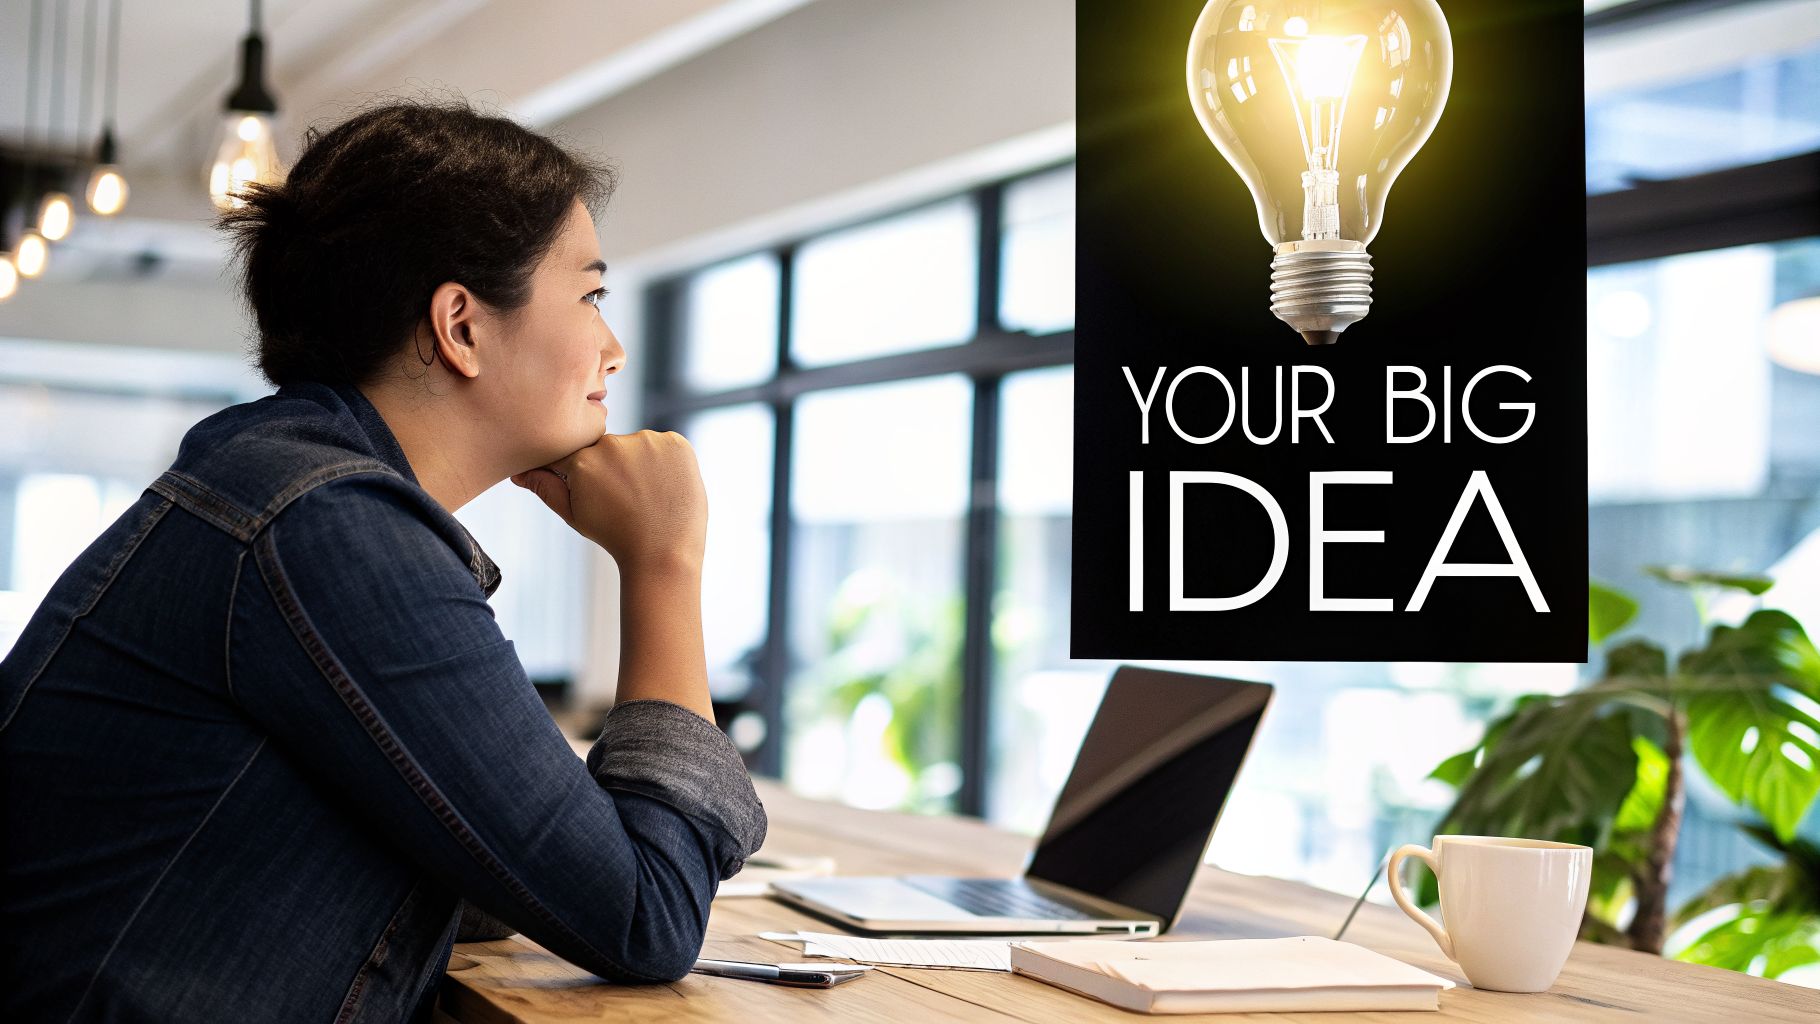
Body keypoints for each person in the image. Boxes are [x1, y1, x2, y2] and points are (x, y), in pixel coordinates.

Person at [0, 100, 766, 1023]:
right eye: (591, 297)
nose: (615, 348)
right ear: (461, 327)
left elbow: (497, 870)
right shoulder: (329, 527)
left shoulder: (282, 482)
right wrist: (665, 560)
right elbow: (645, 914)